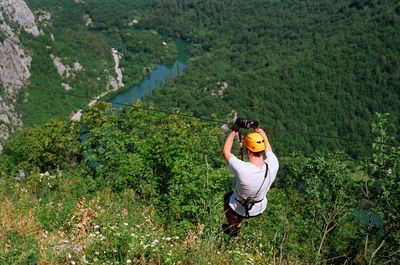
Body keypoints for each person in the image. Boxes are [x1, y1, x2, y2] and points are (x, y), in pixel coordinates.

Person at [221, 120, 279, 236]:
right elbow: (268, 146)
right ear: (262, 150)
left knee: (228, 198)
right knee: (243, 198)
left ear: (248, 151)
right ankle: (237, 225)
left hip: (239, 207)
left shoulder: (243, 169)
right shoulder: (273, 165)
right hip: (259, 207)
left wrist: (234, 130)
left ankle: (233, 228)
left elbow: (225, 151)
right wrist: (258, 129)